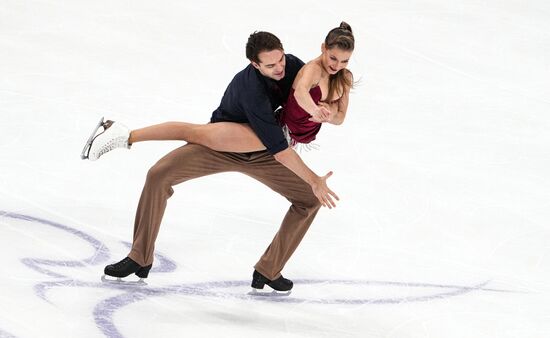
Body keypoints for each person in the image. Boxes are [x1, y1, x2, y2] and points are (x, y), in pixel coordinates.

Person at [94, 23, 354, 292]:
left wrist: (328, 110)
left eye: (280, 60)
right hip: (223, 148)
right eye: (270, 66)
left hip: (264, 154)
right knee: (158, 174)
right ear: (254, 64)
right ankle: (139, 257)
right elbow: (281, 149)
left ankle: (268, 270)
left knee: (308, 201)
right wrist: (313, 179)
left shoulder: (293, 67)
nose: (279, 69)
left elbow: (308, 99)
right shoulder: (250, 89)